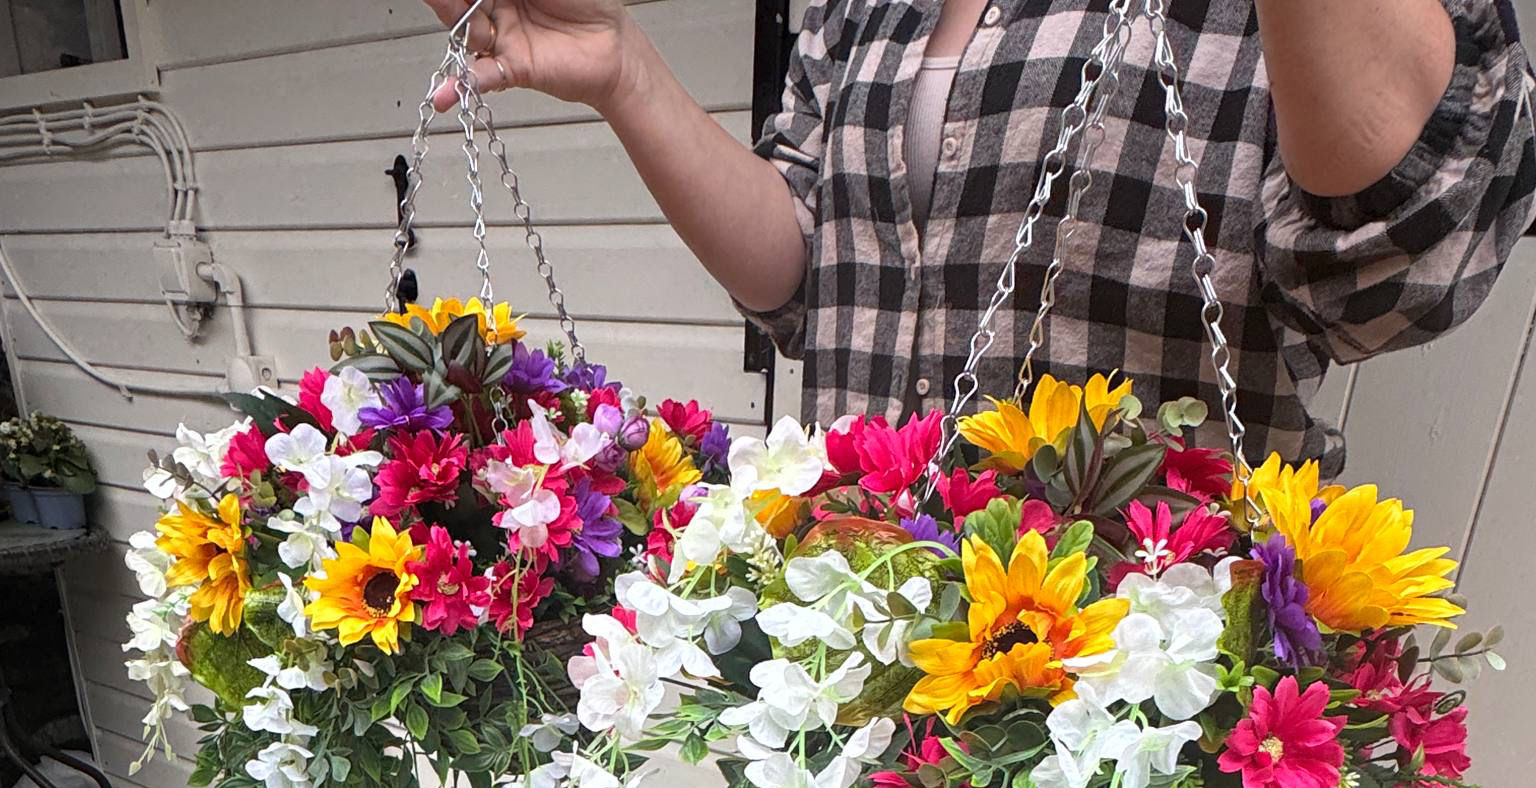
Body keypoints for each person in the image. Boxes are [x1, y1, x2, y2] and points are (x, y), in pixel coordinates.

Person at [422, 0, 1536, 474]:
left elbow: (1396, 262)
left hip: (1137, 717)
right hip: (868, 660)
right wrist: (625, 71)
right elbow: (810, 274)